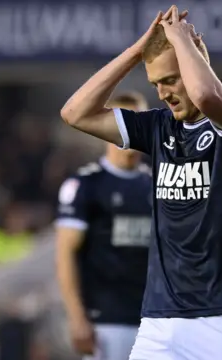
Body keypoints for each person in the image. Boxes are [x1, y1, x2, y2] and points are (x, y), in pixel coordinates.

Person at [60, 5, 222, 360]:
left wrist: (184, 43)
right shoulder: (159, 127)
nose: (162, 93)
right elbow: (74, 112)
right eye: (156, 84)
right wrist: (137, 51)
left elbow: (206, 96)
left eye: (170, 80)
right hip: (159, 320)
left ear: (195, 61)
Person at [55, 92, 152, 360]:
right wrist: (77, 317)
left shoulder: (158, 184)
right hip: (106, 322)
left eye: (139, 121)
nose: (135, 129)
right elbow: (65, 254)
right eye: (126, 122)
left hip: (156, 320)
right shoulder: (86, 185)